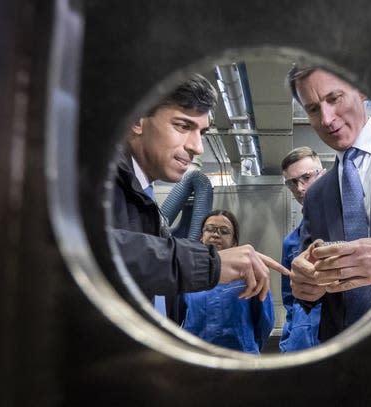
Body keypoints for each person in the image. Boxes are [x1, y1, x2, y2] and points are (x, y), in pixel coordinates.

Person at [110, 73, 288, 323]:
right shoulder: (95, 181)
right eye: (183, 126)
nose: (197, 147)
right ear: (137, 120)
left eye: (202, 132)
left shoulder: (142, 196)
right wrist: (209, 264)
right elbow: (96, 250)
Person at [287, 66, 371, 341]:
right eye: (313, 109)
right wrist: (304, 283)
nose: (327, 119)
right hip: (345, 351)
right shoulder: (317, 194)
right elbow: (310, 265)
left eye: (334, 99)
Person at [182, 210, 275, 354]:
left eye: (224, 231)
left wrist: (249, 347)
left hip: (241, 359)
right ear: (201, 236)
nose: (215, 234)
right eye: (209, 229)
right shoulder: (188, 274)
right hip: (196, 357)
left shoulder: (250, 274)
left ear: (234, 242)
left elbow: (265, 322)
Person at [278, 147, 325, 352]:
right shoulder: (290, 242)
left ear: (322, 175)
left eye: (306, 177)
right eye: (292, 182)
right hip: (300, 344)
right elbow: (290, 301)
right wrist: (288, 342)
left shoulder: (349, 226)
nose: (300, 188)